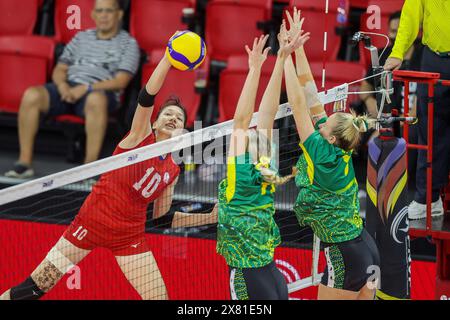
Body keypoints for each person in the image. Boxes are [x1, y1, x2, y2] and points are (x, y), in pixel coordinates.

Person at [0, 51, 218, 301]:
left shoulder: (172, 170)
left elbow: (161, 219)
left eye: (179, 118)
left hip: (129, 236)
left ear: (184, 132)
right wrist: (168, 60)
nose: (173, 118)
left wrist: (208, 217)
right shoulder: (139, 138)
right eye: (167, 114)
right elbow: (147, 97)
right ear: (154, 123)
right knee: (34, 288)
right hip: (91, 224)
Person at [285, 8, 380, 300]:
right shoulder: (342, 147)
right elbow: (312, 96)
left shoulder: (322, 155)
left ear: (331, 137)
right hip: (366, 247)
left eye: (324, 124)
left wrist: (282, 56)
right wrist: (298, 50)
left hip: (344, 253)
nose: (321, 119)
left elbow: (299, 105)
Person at [216, 27, 309, 300]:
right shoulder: (266, 170)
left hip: (248, 277)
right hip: (272, 276)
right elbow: (267, 114)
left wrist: (255, 69)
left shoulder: (240, 180)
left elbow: (242, 120)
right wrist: (280, 59)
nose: (257, 131)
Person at [5, 0, 140, 179]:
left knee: (95, 100)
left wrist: (86, 88)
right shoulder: (80, 38)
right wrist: (62, 87)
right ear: (93, 14)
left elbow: (121, 81)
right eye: (99, 11)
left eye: (109, 11)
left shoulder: (129, 44)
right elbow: (60, 69)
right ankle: (24, 163)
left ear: (119, 15)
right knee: (32, 95)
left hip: (98, 93)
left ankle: (89, 169)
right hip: (67, 88)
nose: (104, 15)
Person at [384, 0, 450, 220]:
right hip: (433, 58)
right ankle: (427, 199)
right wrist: (397, 51)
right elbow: (411, 13)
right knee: (430, 131)